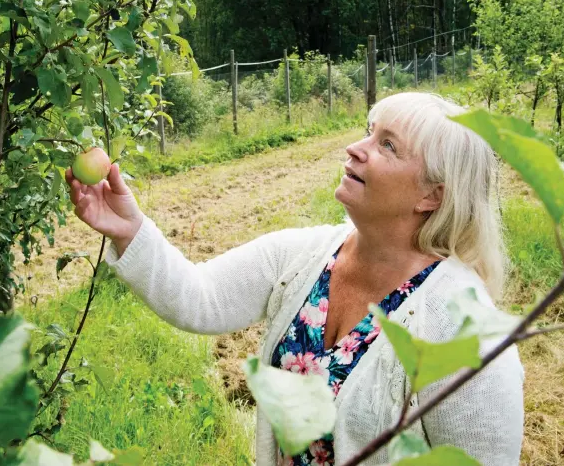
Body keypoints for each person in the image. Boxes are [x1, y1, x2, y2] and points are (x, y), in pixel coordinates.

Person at [66, 92, 524, 466]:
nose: (355, 148)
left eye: (388, 145)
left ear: (431, 195)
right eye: (369, 131)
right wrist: (131, 229)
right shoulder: (304, 256)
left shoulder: (465, 332)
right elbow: (199, 298)